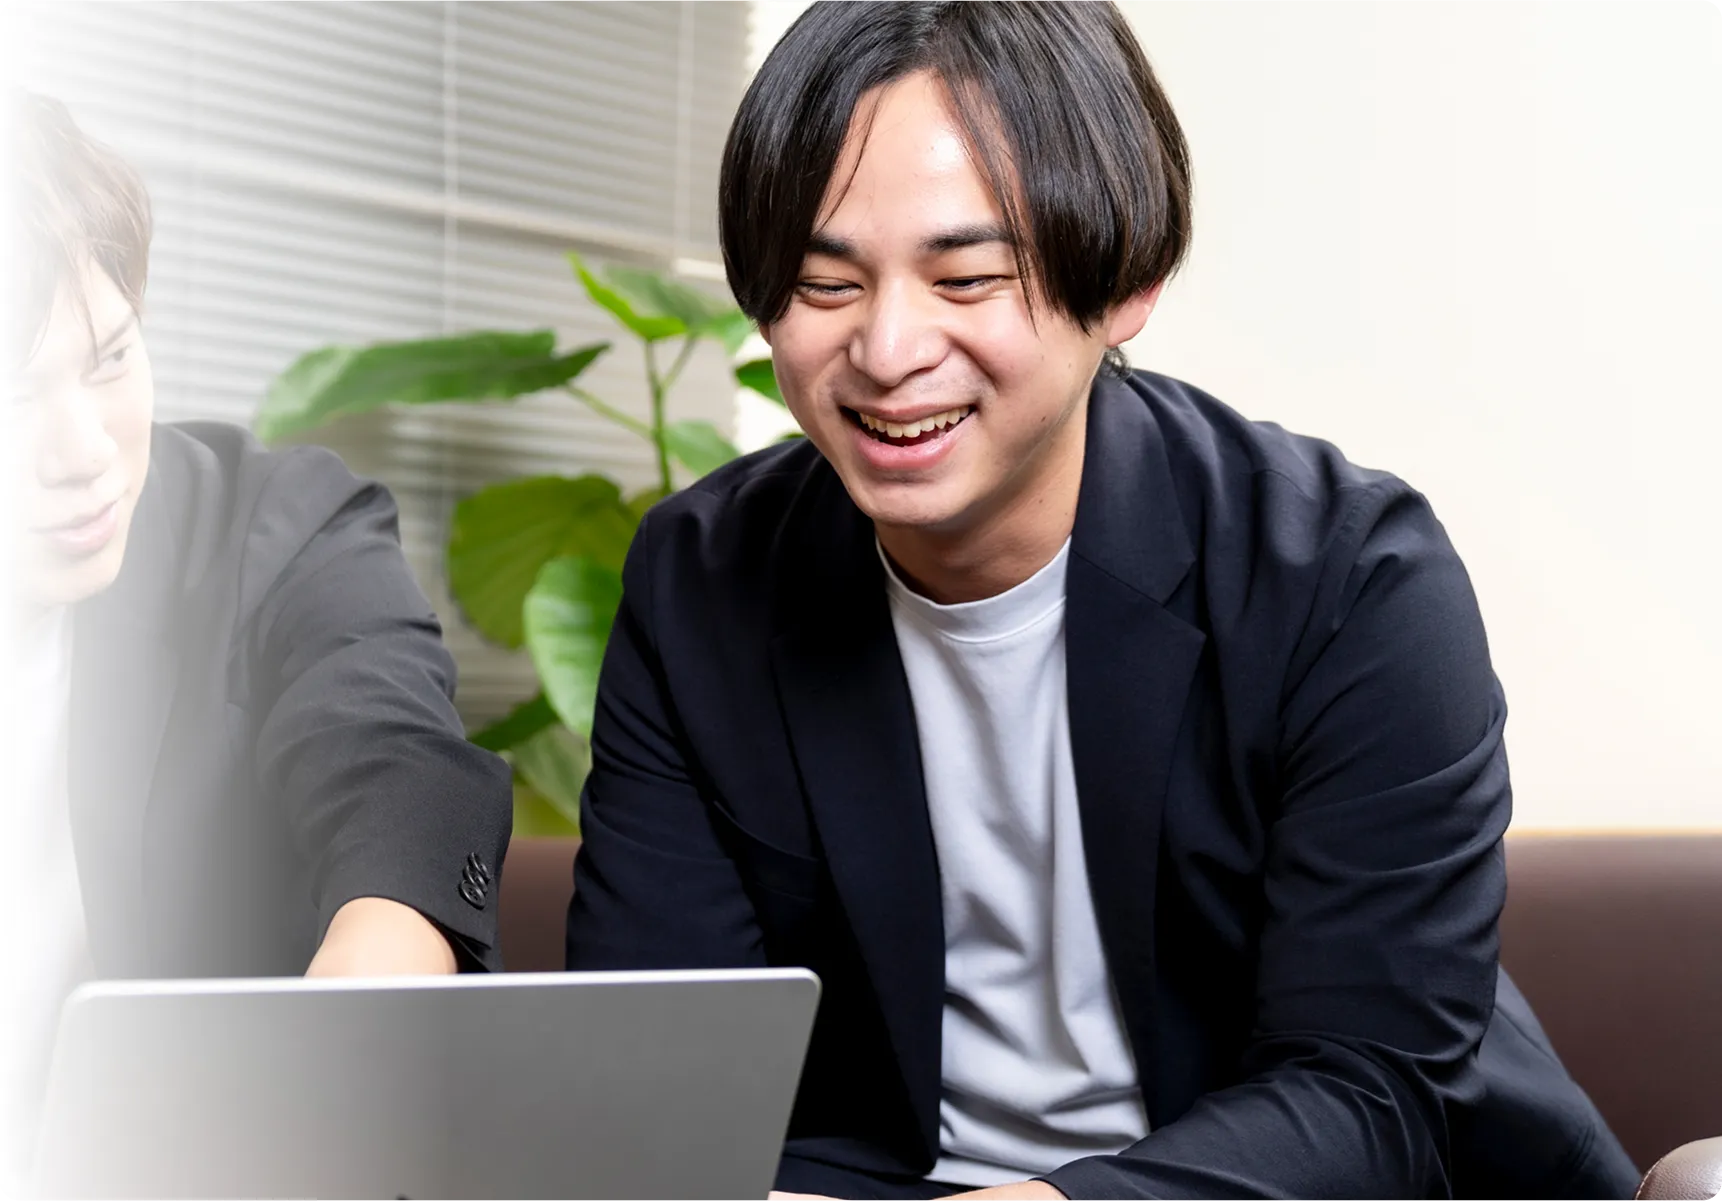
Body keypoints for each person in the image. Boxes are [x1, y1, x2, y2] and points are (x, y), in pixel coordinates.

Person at [563, 4, 1638, 1199]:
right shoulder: (704, 579)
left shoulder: (1346, 579)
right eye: (825, 283)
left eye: (966, 277)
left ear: (1127, 282)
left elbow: (1367, 1100)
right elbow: (665, 1086)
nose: (887, 348)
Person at [2, 90, 512, 1181]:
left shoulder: (268, 531)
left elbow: (396, 765)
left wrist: (356, 1017)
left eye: (110, 359)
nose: (83, 453)